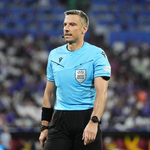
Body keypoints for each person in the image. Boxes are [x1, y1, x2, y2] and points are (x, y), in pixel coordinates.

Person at [39, 10, 111, 150]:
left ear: (84, 29)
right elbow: (49, 93)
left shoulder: (97, 54)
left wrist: (94, 121)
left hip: (86, 118)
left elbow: (101, 92)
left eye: (72, 24)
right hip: (60, 120)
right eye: (65, 24)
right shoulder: (54, 55)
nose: (66, 28)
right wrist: (44, 126)